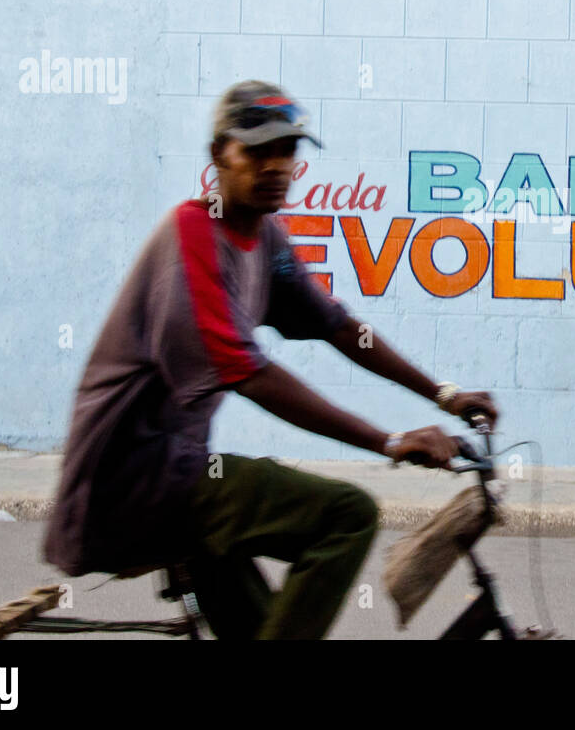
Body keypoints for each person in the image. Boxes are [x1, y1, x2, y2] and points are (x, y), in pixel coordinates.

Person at [42, 79, 499, 639]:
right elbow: (248, 373)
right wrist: (388, 442)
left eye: (288, 152)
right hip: (134, 486)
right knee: (346, 517)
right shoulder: (192, 234)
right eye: (257, 151)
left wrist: (444, 395)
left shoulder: (266, 239)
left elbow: (337, 326)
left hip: (179, 474)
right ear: (219, 156)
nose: (276, 165)